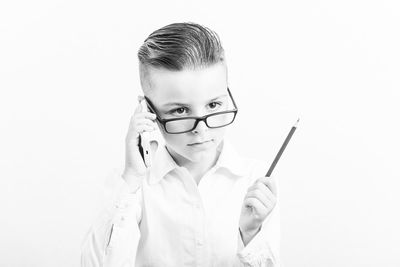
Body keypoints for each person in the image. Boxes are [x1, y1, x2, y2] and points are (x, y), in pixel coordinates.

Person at [81, 22, 280, 267]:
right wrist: (132, 177)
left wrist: (249, 234)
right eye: (180, 110)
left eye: (213, 105)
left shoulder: (255, 181)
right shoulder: (133, 187)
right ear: (148, 110)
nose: (202, 129)